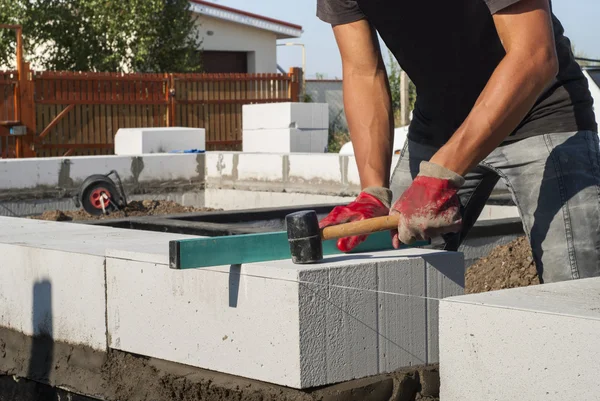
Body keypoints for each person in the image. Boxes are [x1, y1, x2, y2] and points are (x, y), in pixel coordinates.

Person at [316, 0, 599, 284]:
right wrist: (373, 192)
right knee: (393, 273)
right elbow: (363, 72)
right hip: (439, 128)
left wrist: (440, 174)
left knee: (573, 291)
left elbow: (534, 56)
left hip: (539, 112)